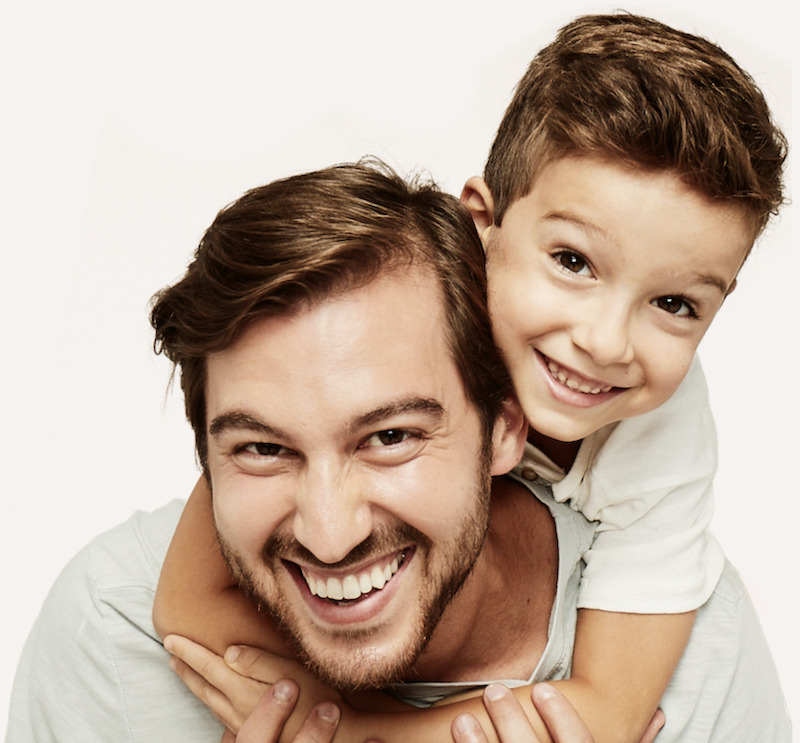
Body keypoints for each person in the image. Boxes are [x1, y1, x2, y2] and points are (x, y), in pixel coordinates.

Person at [154, 11, 789, 742]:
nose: (605, 341)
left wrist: (359, 733)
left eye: (675, 304)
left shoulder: (665, 438)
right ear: (481, 224)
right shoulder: (395, 322)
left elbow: (608, 713)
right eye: (573, 262)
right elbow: (187, 606)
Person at [5, 161, 789, 743]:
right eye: (264, 448)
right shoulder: (109, 628)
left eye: (390, 437)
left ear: (505, 427)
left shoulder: (696, 653)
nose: (330, 534)